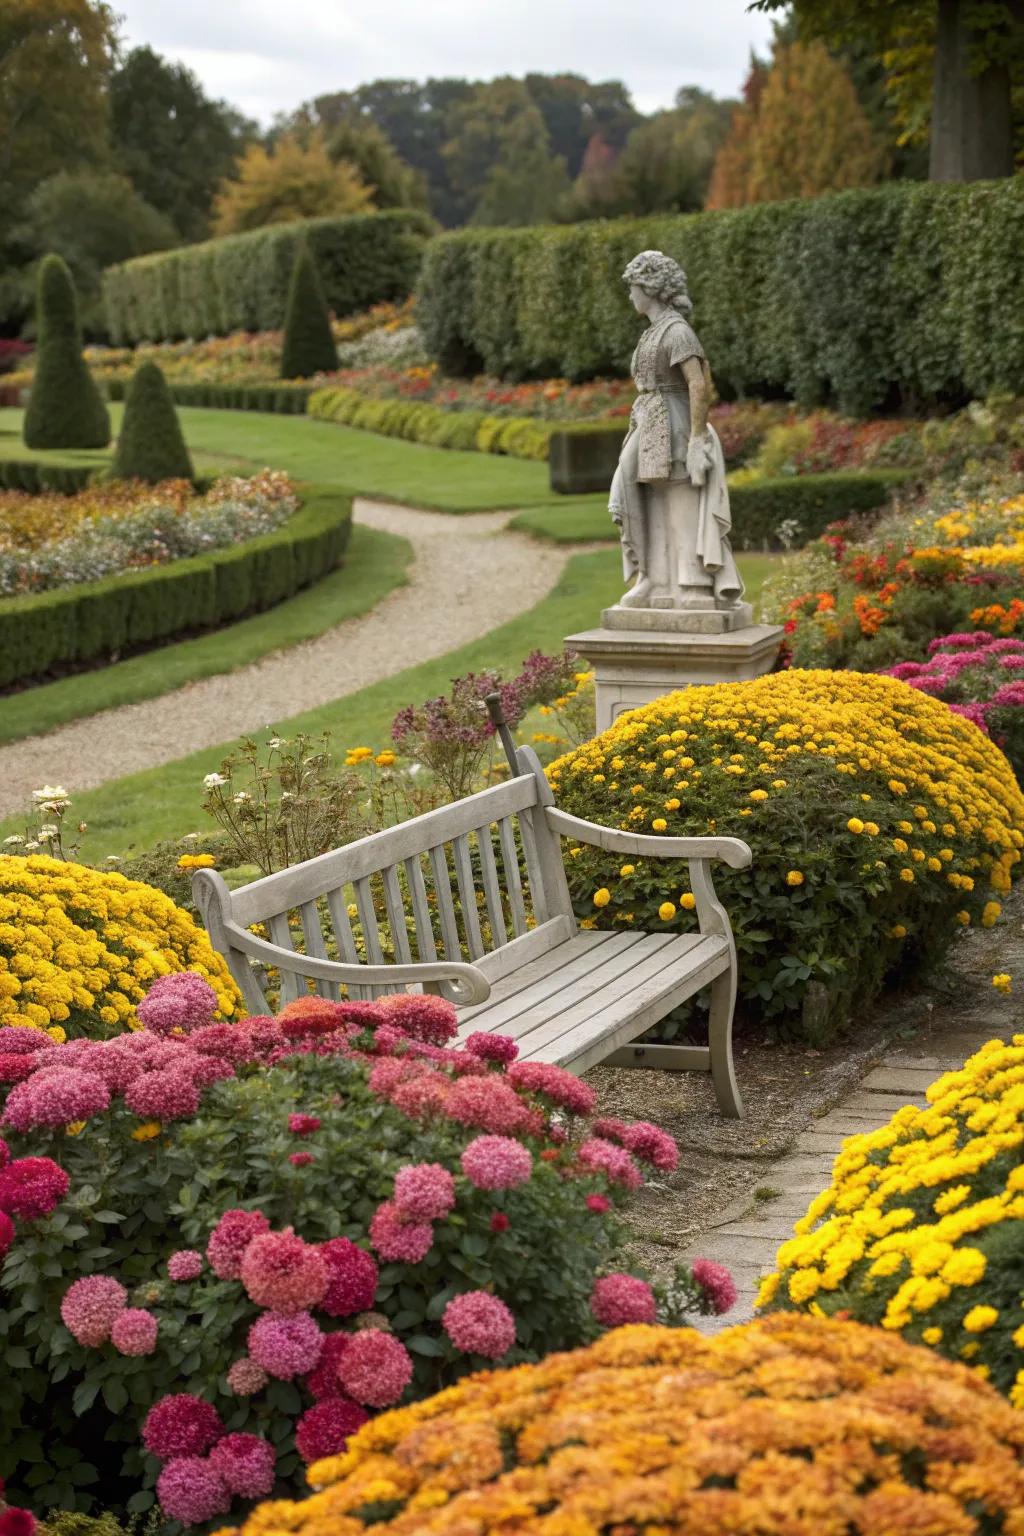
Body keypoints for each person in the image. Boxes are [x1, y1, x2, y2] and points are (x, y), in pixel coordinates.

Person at [610, 249, 744, 611]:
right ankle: (653, 577)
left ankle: (693, 583)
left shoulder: (678, 331)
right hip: (649, 423)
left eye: (633, 287)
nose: (630, 295)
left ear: (649, 287)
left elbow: (698, 384)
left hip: (676, 422)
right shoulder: (653, 331)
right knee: (641, 495)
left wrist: (698, 439)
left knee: (682, 498)